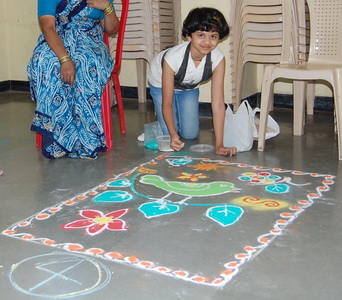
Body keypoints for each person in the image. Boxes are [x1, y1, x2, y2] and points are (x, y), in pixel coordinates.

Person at [27, 0, 119, 159]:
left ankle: (86, 138)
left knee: (85, 62)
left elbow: (111, 29)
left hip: (90, 39)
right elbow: (48, 27)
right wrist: (64, 59)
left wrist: (107, 8)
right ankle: (58, 136)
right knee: (45, 61)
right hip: (57, 38)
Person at [148, 7, 237, 156]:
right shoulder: (173, 58)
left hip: (188, 87)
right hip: (160, 84)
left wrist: (220, 145)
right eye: (201, 35)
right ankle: (157, 128)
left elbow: (218, 105)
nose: (207, 42)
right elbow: (167, 102)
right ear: (188, 36)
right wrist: (172, 134)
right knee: (170, 133)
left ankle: (173, 122)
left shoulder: (218, 59)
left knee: (190, 134)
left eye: (213, 36)